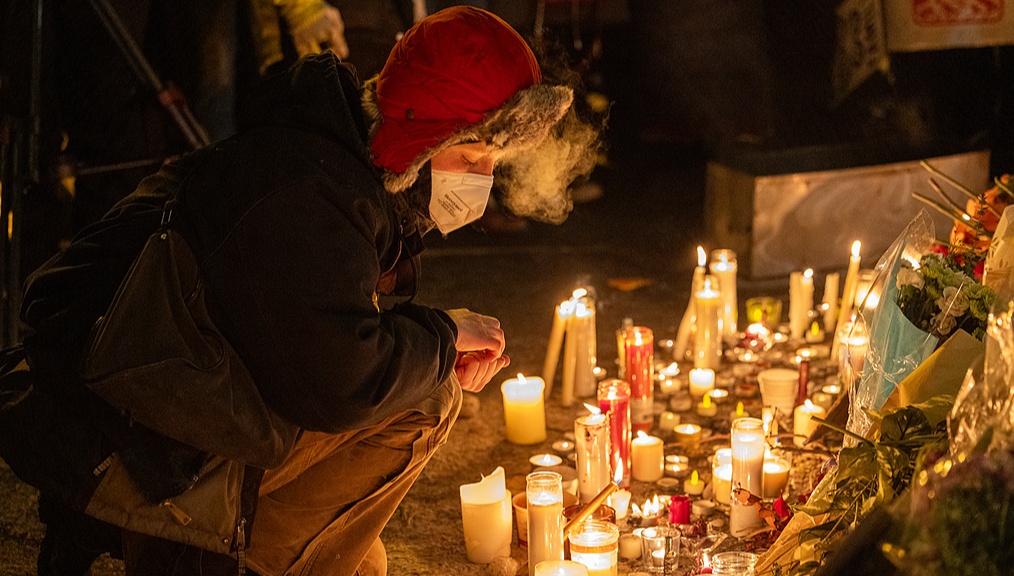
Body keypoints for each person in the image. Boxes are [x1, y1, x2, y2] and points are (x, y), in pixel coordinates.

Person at [4, 6, 597, 576]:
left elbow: (309, 327)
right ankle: (182, 535)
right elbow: (341, 382)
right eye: (473, 152)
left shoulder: (335, 157)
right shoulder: (310, 189)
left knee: (364, 556)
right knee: (425, 400)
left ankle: (232, 534)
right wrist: (443, 336)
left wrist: (434, 334)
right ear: (424, 134)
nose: (481, 179)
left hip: (155, 379)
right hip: (117, 420)